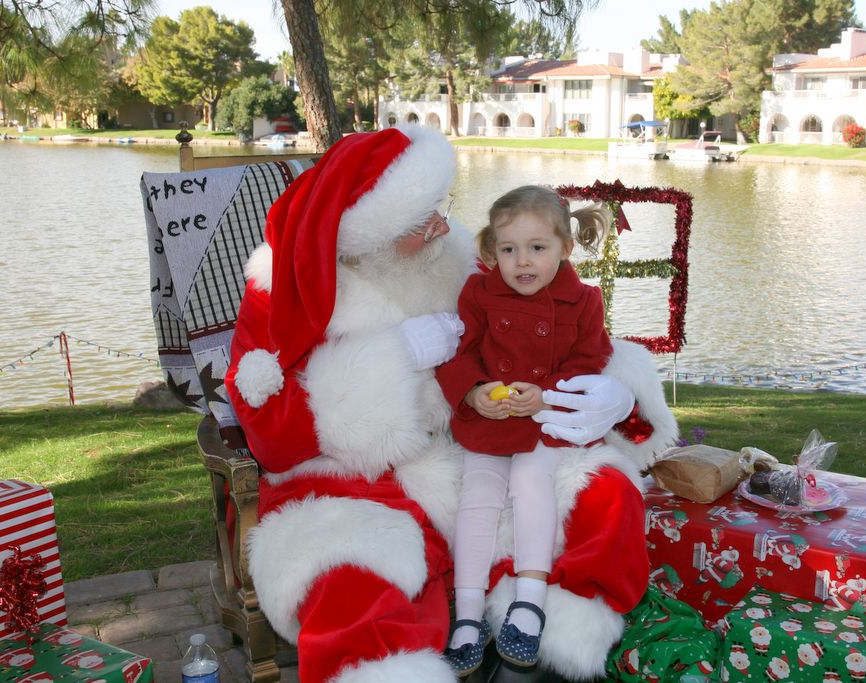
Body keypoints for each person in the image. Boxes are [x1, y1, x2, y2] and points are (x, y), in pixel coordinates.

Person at [224, 125, 679, 683]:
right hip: (351, 482)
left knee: (601, 493)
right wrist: (399, 356)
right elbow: (270, 433)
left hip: (481, 448)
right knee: (349, 580)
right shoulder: (280, 287)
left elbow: (563, 327)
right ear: (370, 232)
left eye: (439, 207)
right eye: (421, 221)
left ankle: (543, 652)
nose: (441, 224)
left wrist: (617, 392)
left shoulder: (461, 253)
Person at [435, 186, 614, 673]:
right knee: (478, 498)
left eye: (538, 248)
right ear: (493, 250)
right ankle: (468, 613)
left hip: (544, 421)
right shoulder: (479, 292)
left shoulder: (583, 300)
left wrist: (549, 392)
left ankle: (529, 600)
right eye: (509, 249)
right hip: (489, 418)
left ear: (565, 248)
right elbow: (461, 352)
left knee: (531, 484)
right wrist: (473, 392)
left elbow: (591, 360)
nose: (523, 262)